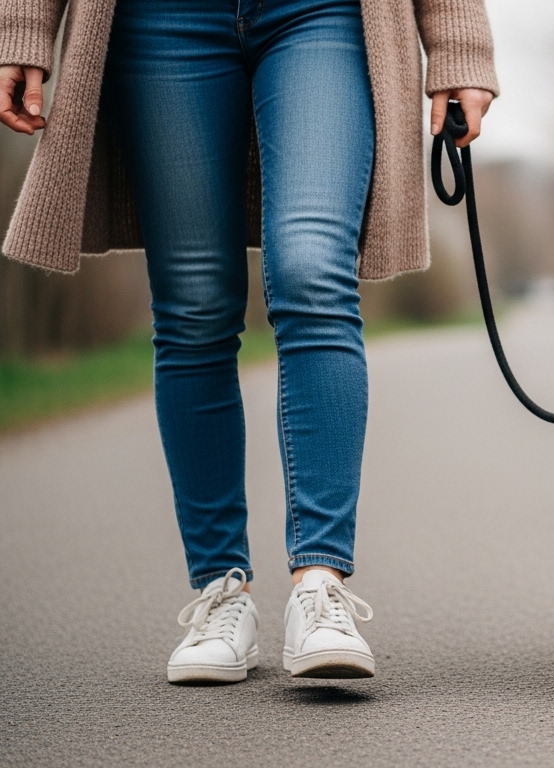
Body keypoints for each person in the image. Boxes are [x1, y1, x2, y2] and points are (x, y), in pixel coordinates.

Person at [0, 0, 496, 683]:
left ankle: (319, 586)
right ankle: (221, 592)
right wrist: (23, 24)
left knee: (313, 270)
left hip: (323, 14)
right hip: (162, 20)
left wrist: (459, 45)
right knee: (195, 302)